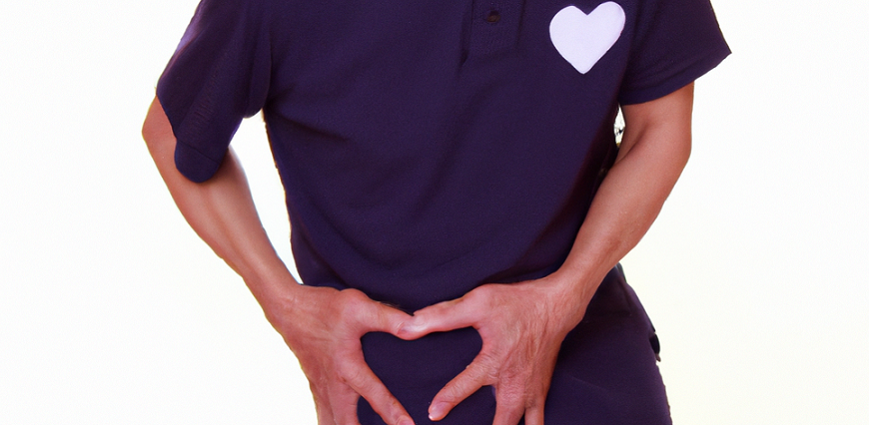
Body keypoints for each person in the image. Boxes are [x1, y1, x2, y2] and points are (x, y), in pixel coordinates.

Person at [142, 0, 729, 424]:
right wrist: (287, 305)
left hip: (585, 359)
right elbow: (174, 135)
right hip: (387, 386)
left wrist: (562, 298)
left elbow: (661, 125)